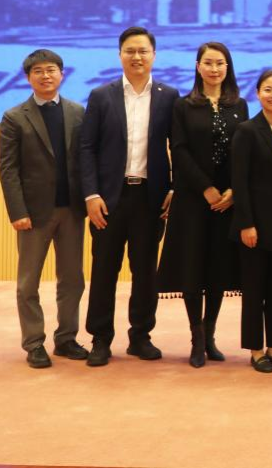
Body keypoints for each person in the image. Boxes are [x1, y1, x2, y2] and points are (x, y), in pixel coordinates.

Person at [79, 26, 178, 367]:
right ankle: (100, 339)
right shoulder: (101, 96)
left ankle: (140, 336)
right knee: (104, 270)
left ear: (154, 55)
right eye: (130, 51)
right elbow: (86, 148)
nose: (137, 57)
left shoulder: (169, 96)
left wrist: (174, 188)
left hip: (150, 199)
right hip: (108, 198)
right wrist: (91, 194)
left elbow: (180, 146)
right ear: (120, 55)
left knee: (145, 272)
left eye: (143, 51)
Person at [157, 42, 248, 367]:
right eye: (208, 63)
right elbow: (179, 150)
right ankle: (196, 338)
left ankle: (210, 336)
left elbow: (244, 150)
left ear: (228, 67)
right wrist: (206, 188)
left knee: (218, 269)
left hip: (227, 201)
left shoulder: (239, 105)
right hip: (193, 200)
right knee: (193, 268)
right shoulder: (183, 106)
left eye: (220, 63)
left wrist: (233, 190)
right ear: (198, 66)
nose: (214, 69)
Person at [0, 49, 88, 368]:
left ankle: (66, 338)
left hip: (72, 210)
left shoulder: (78, 112)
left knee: (73, 279)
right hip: (34, 214)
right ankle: (34, 342)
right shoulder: (14, 116)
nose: (45, 76)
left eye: (51, 70)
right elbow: (8, 169)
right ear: (28, 78)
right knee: (28, 282)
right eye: (38, 71)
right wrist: (17, 211)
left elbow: (86, 160)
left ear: (62, 74)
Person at [230, 69, 272, 373]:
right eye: (268, 89)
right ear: (258, 93)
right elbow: (239, 181)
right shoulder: (247, 130)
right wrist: (246, 223)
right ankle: (256, 350)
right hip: (254, 226)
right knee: (254, 291)